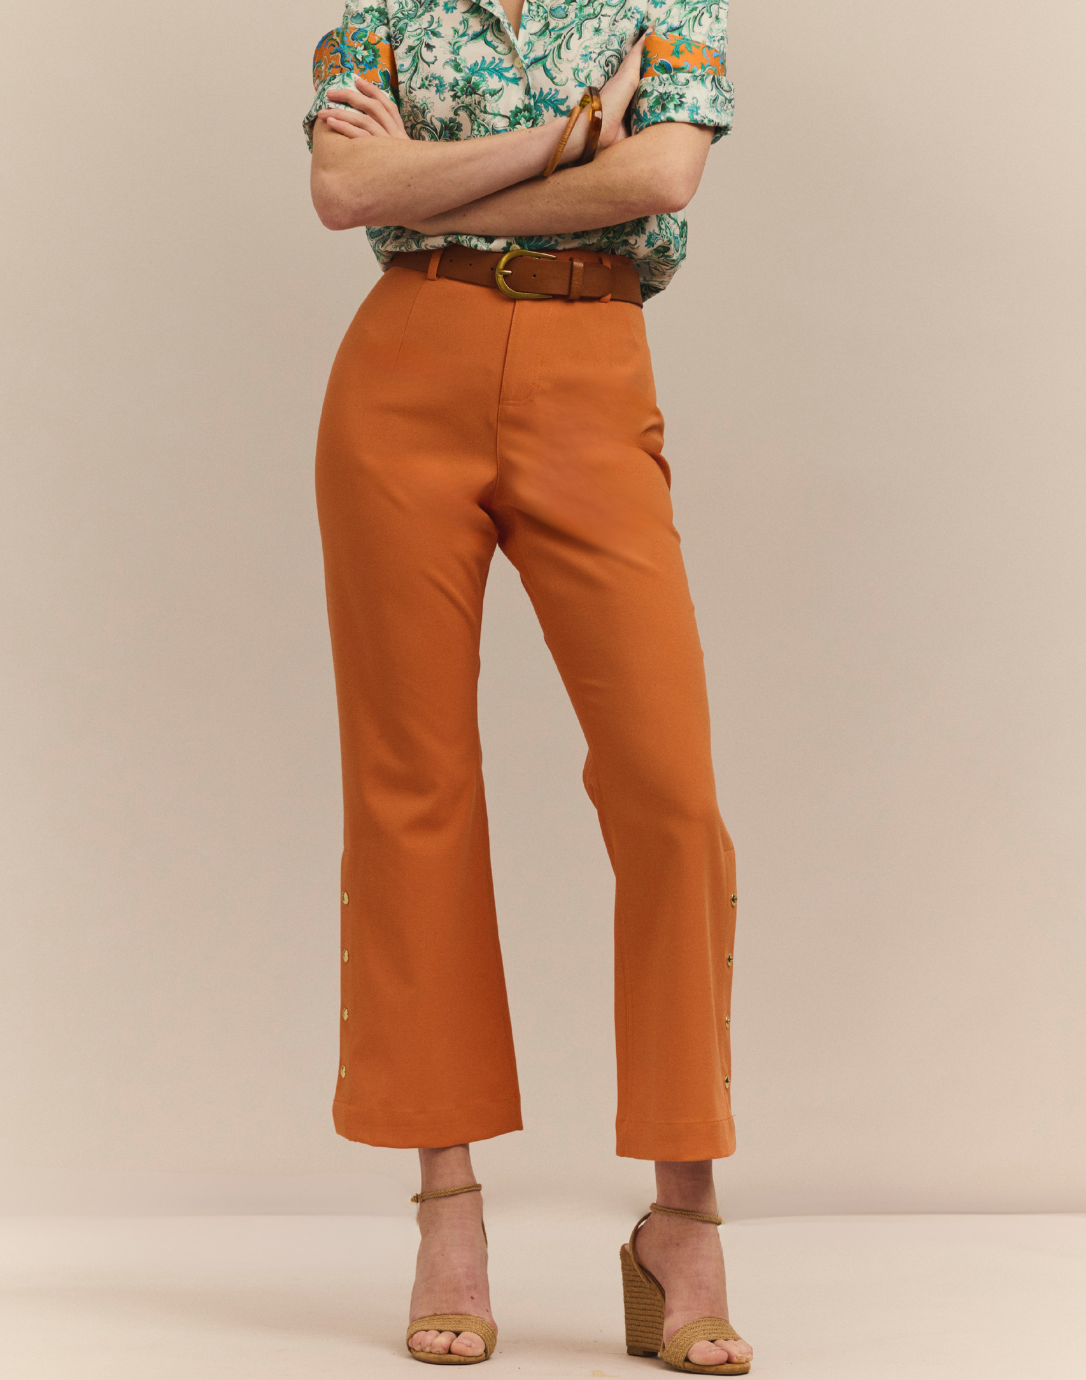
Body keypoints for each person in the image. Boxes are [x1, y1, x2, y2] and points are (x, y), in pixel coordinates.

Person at [305, 1, 753, 1372]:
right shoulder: (382, 17)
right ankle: (448, 1213)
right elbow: (344, 193)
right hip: (400, 380)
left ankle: (683, 1219)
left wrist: (433, 179)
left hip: (588, 371)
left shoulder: (664, 8)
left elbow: (659, 176)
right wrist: (568, 136)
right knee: (412, 786)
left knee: (669, 793)